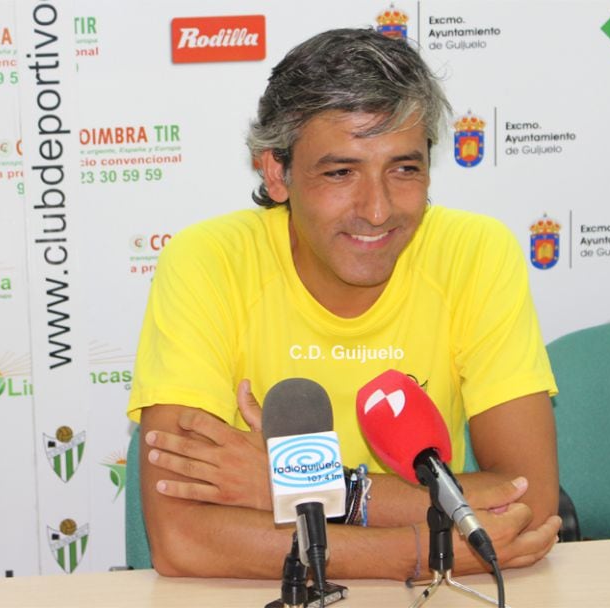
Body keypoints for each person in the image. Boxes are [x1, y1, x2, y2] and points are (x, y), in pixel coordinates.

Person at [127, 27, 561, 581]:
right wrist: (422, 551)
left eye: (404, 169)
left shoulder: (476, 252)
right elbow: (182, 539)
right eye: (341, 172)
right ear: (277, 173)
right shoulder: (206, 262)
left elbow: (525, 500)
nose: (377, 210)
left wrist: (301, 486)